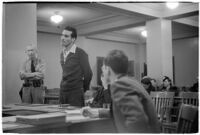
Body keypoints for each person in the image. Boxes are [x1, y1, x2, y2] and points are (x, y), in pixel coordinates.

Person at [82, 50, 160, 133]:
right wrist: (97, 113)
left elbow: (137, 120)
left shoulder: (120, 84)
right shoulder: (130, 81)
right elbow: (123, 112)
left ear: (108, 69)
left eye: (103, 67)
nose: (102, 70)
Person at [59, 26, 93, 107]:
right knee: (61, 117)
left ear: (73, 39)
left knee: (74, 118)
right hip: (63, 92)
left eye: (66, 36)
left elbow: (88, 74)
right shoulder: (61, 53)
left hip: (75, 93)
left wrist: (82, 89)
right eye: (62, 35)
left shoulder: (81, 53)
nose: (62, 38)